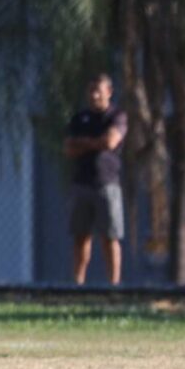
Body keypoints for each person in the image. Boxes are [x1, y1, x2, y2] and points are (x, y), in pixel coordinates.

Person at [64, 73, 127, 285]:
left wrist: (85, 142)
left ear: (109, 92)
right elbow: (69, 148)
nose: (94, 95)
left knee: (110, 237)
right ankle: (77, 284)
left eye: (99, 90)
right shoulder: (79, 118)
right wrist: (95, 142)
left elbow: (110, 142)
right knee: (81, 237)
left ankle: (114, 285)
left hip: (106, 185)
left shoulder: (116, 116)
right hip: (81, 184)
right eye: (91, 90)